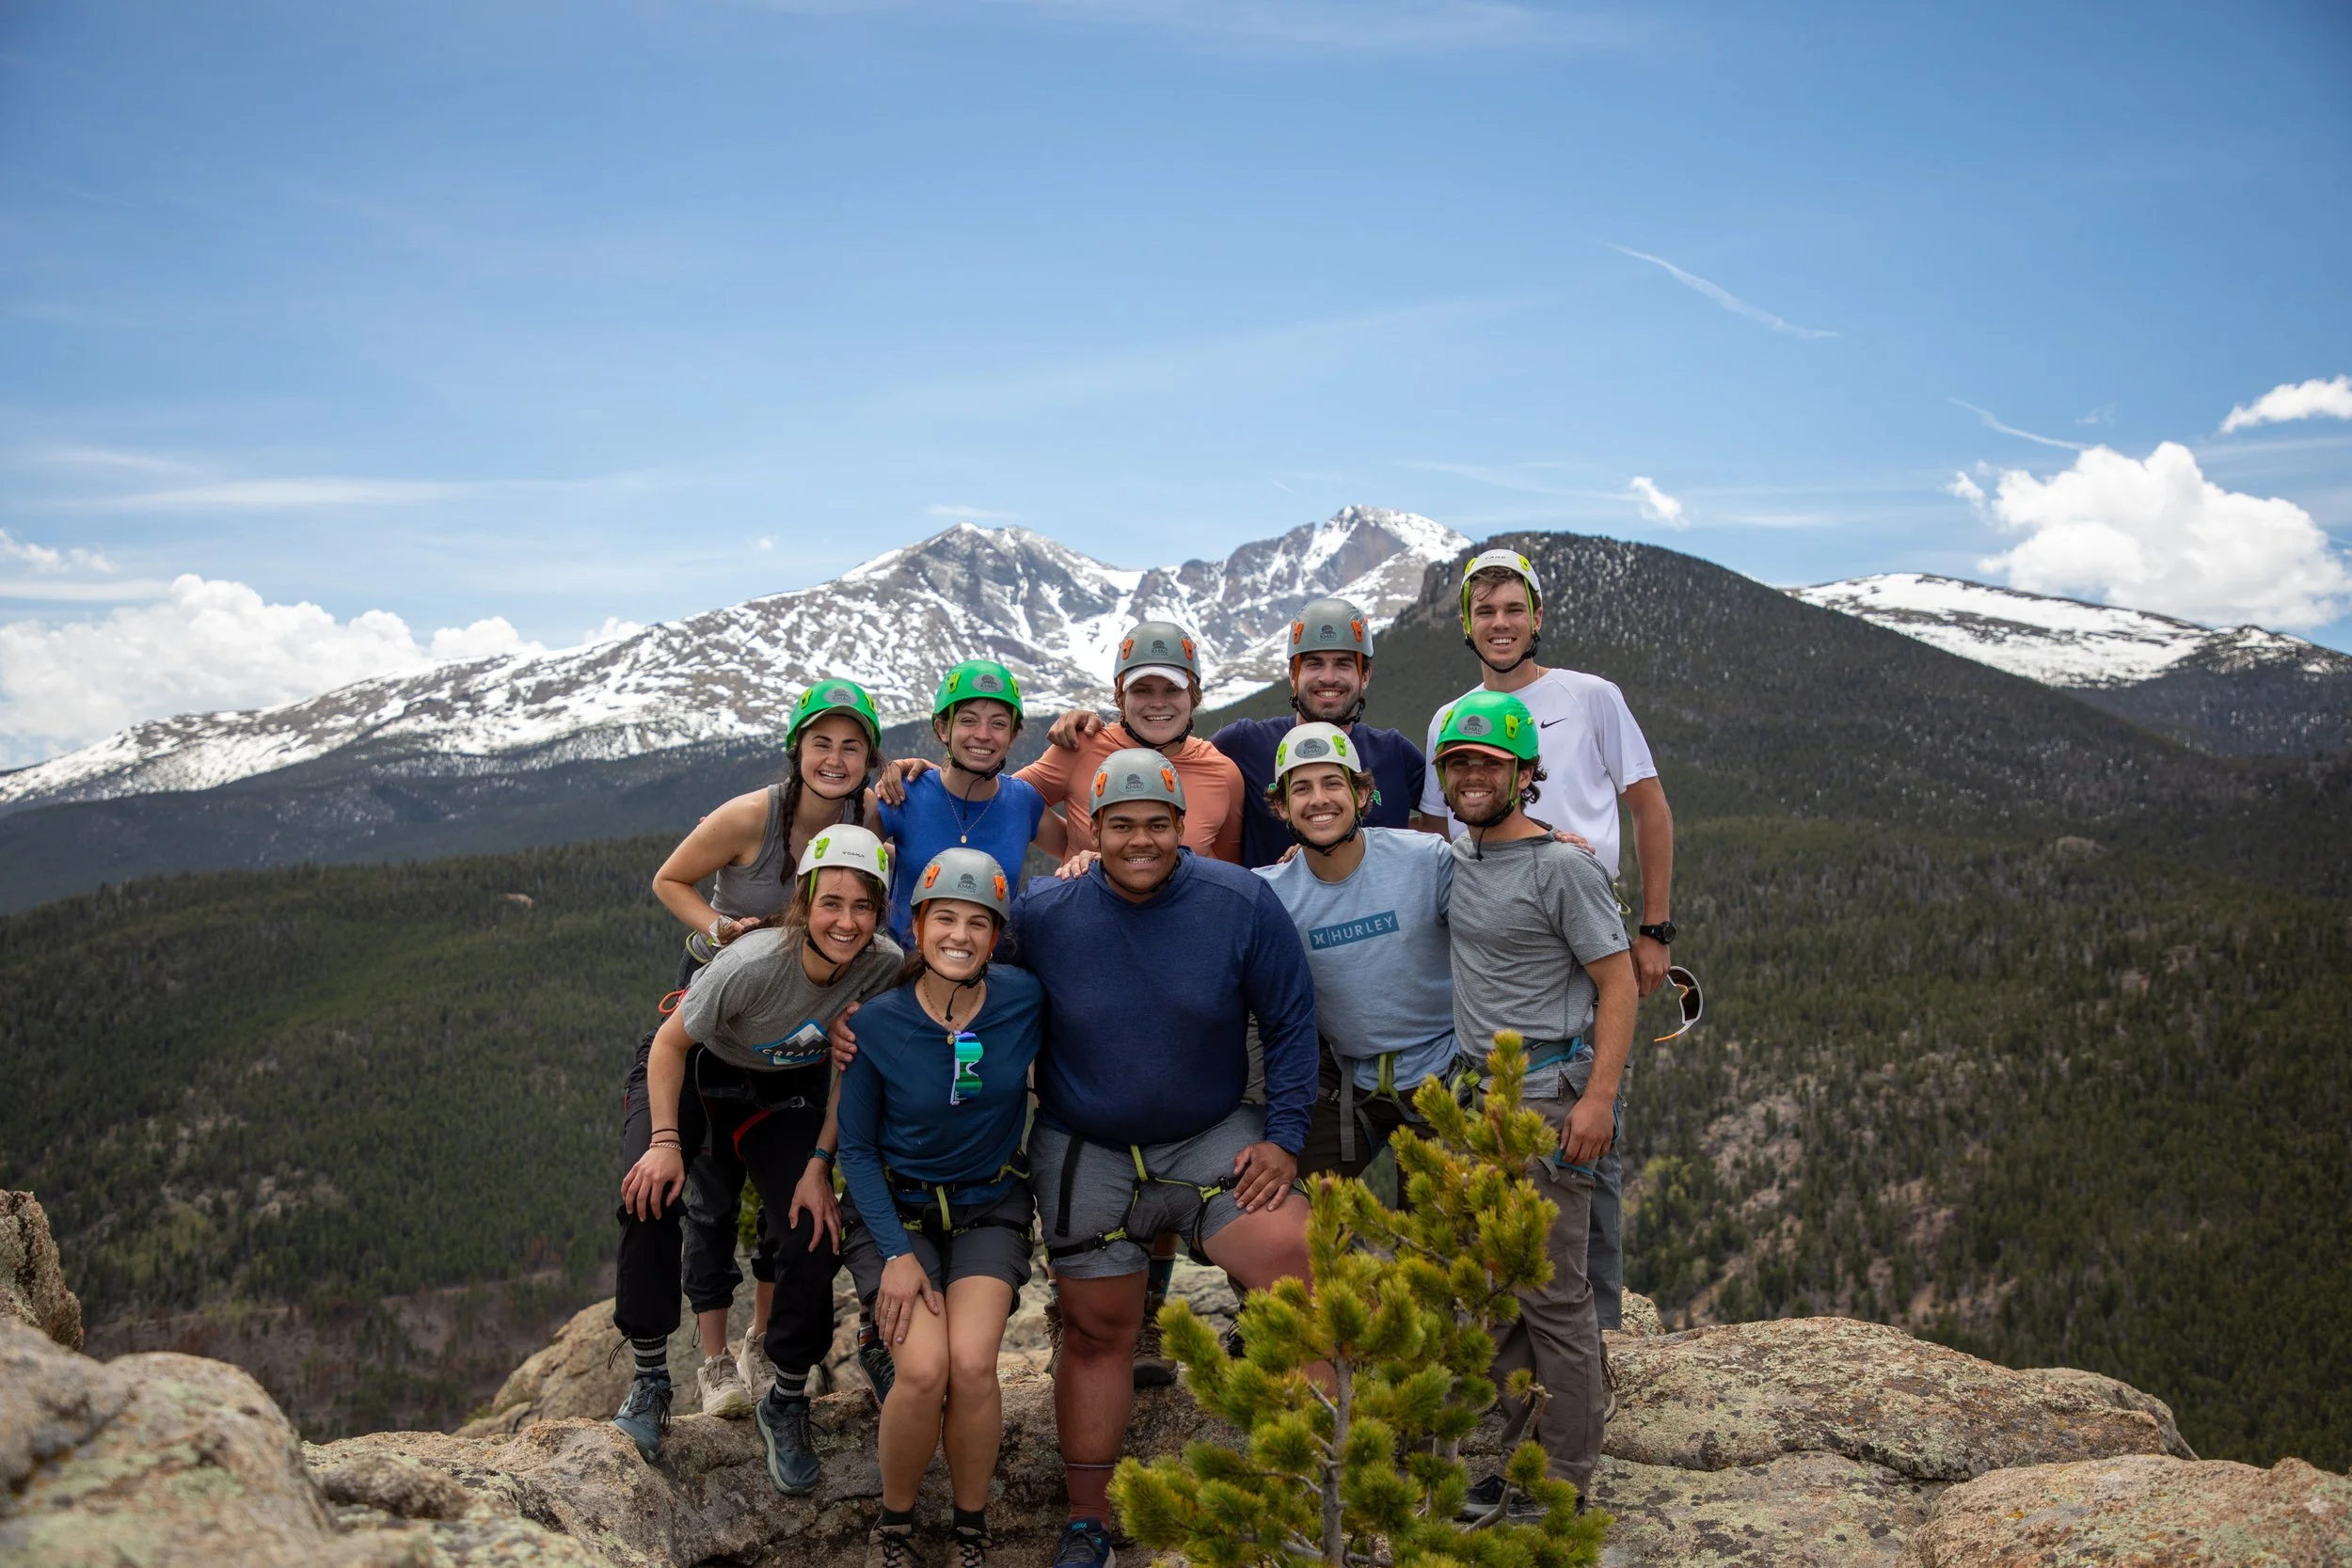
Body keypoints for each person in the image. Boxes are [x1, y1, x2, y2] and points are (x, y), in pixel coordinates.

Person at [831, 749, 1319, 1568]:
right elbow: (960, 958)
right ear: (1092, 827)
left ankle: (1312, 1488)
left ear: (1181, 828)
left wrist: (1286, 1137)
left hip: (1211, 1136)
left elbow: (1291, 1021)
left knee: (1301, 1271)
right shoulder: (1049, 912)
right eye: (1120, 825)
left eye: (1156, 824)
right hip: (1086, 1147)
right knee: (1100, 1330)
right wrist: (868, 1018)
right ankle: (1088, 1519)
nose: (1139, 841)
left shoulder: (1240, 903)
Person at [897, 622, 1249, 1375]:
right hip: (1086, 968)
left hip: (1176, 983)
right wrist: (920, 776)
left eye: (1172, 688)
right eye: (1143, 687)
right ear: (1120, 692)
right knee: (1090, 1134)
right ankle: (1074, 1309)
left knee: (1163, 1128)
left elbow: (1230, 870)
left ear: (1195, 695)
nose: (1157, 701)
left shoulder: (1220, 773)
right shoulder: (1079, 745)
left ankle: (1146, 1316)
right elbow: (993, 799)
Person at [1415, 547, 1675, 1330]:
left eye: (1512, 608)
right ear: (1466, 622)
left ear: (1537, 615)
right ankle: (1522, 1338)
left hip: (1584, 916)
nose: (1500, 623)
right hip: (1502, 920)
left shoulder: (1591, 697)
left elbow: (1650, 809)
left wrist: (1654, 928)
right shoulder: (1450, 718)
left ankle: (1594, 1335)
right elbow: (1435, 835)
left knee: (1592, 1129)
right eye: (1485, 610)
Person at [612, 825, 902, 1497]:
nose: (847, 920)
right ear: (803, 900)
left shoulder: (881, 965)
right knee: (648, 1194)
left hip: (780, 1089)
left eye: (864, 905)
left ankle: (787, 1392)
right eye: (831, 902)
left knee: (811, 1225)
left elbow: (851, 1069)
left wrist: (818, 1162)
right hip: (694, 1071)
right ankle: (651, 1376)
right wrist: (663, 1142)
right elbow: (668, 1045)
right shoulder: (752, 963)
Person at [645, 678, 888, 1415]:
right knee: (713, 1191)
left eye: (853, 746)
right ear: (796, 749)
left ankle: (761, 1337)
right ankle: (713, 1358)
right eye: (822, 743)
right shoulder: (751, 814)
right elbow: (669, 879)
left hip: (809, 1009)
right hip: (729, 991)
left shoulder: (867, 817)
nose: (836, 759)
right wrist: (719, 933)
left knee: (787, 1192)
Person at [1429, 689, 1635, 1515]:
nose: (1472, 775)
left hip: (1550, 1100)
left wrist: (1599, 1099)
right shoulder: (1462, 857)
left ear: (1524, 772)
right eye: (1459, 763)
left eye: (1488, 762)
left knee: (1553, 1297)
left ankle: (1562, 1483)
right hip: (1481, 1098)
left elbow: (1618, 985)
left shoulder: (1562, 867)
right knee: (1504, 1291)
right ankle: (1523, 1462)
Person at [836, 849, 1043, 1568]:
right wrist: (893, 1254)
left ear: (996, 936)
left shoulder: (1023, 998)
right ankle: (894, 1527)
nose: (960, 934)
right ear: (918, 925)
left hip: (989, 1206)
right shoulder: (879, 1024)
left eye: (977, 922)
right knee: (924, 1371)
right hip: (900, 1214)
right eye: (945, 918)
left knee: (973, 1364)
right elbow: (856, 1151)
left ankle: (970, 1531)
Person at [1250, 721, 1461, 1181]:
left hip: (1445, 1079)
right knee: (1288, 1221)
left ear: (1362, 794)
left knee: (1445, 1240)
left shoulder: (1427, 860)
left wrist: (1544, 845)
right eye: (1301, 788)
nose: (1319, 799)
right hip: (1346, 1082)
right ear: (1283, 807)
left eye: (1332, 783)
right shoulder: (1269, 894)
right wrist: (1097, 863)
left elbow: (1501, 892)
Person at [1208, 597, 1427, 870]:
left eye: (1343, 664)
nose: (1328, 677)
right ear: (1292, 675)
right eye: (1314, 664)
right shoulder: (1244, 744)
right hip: (1273, 911)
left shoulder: (1396, 754)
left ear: (1366, 676)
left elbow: (1448, 820)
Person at [876, 660, 1067, 948]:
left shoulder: (1023, 802)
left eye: (999, 724)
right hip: (904, 974)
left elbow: (1084, 847)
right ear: (943, 729)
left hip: (989, 976)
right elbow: (835, 839)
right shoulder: (907, 792)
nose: (983, 734)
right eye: (968, 720)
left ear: (1013, 736)